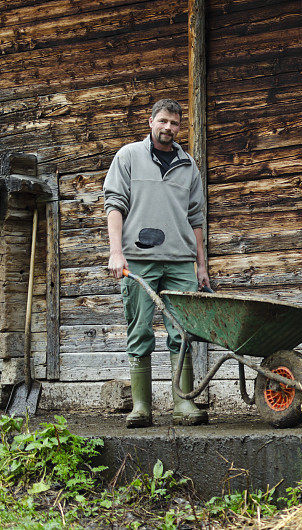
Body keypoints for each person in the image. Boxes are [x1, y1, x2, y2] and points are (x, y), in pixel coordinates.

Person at [103, 99, 211, 428]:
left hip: (180, 262)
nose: (168, 128)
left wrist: (201, 266)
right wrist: (116, 252)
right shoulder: (128, 157)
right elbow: (114, 205)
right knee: (140, 330)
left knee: (182, 332)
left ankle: (184, 406)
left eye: (175, 123)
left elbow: (196, 219)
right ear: (150, 121)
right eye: (163, 121)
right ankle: (141, 407)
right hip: (138, 260)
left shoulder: (187, 165)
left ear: (180, 127)